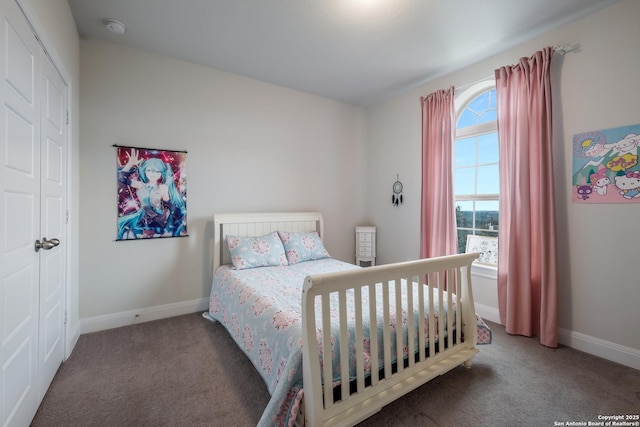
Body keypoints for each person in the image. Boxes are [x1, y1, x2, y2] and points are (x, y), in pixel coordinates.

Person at [117, 148, 186, 239]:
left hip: (158, 218)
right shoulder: (141, 185)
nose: (152, 174)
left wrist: (171, 220)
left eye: (157, 171)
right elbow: (122, 179)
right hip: (142, 216)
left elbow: (170, 204)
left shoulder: (163, 187)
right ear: (145, 171)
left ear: (161, 173)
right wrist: (130, 164)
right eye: (149, 170)